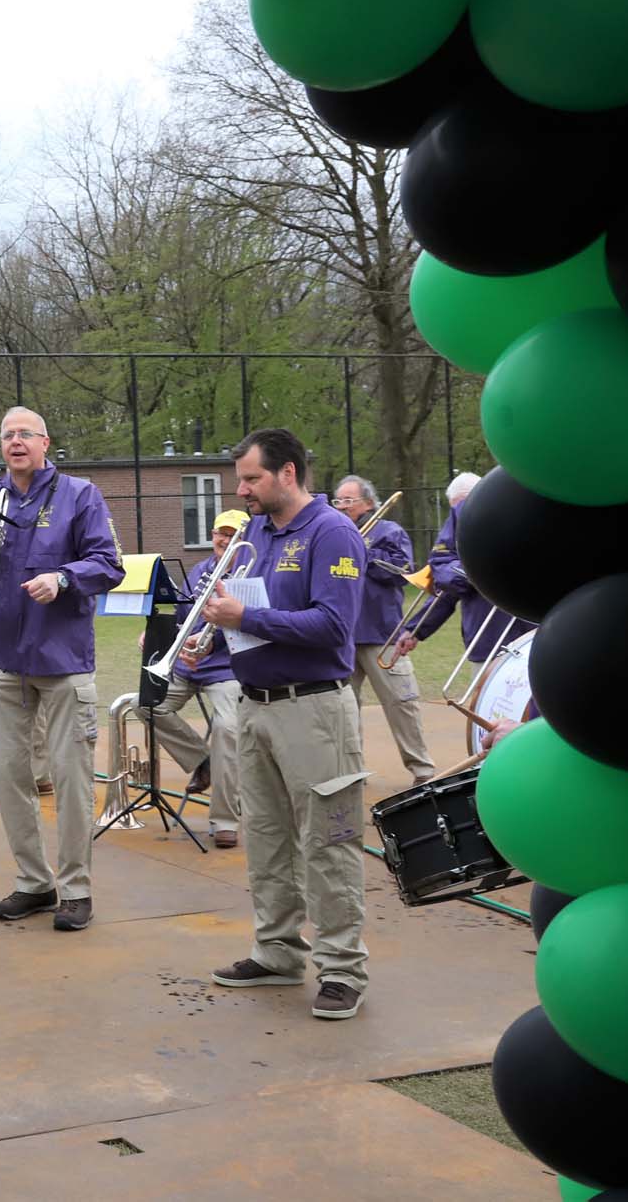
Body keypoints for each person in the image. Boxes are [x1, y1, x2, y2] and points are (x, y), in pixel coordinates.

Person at [201, 428, 370, 1022]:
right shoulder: (259, 535)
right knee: (268, 838)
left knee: (330, 839)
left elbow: (333, 625)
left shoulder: (332, 532)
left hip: (314, 709)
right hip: (256, 705)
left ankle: (343, 968)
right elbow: (259, 620)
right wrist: (215, 635)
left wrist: (245, 614)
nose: (241, 490)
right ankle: (276, 952)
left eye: (251, 479)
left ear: (289, 473)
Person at [0, 407, 123, 932]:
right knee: (9, 775)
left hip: (63, 658)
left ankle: (76, 888)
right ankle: (34, 881)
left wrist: (64, 579)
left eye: (25, 433)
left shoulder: (80, 494)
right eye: (7, 435)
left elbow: (109, 563)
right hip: (4, 657)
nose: (15, 441)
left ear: (46, 442)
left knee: (71, 779)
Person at [140, 511, 248, 849]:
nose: (224, 540)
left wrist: (207, 644)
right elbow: (181, 615)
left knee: (228, 729)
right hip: (187, 667)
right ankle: (204, 761)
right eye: (220, 533)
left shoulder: (251, 574)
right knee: (145, 705)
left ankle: (225, 820)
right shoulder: (200, 571)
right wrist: (156, 634)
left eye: (232, 534)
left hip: (228, 671)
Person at [331, 475, 437, 785]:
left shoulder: (389, 530)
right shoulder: (335, 534)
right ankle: (352, 772)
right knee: (343, 708)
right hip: (344, 634)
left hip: (381, 631)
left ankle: (422, 769)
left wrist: (365, 553)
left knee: (401, 703)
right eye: (339, 500)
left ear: (368, 503)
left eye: (349, 500)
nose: (343, 506)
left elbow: (401, 570)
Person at [397, 471, 537, 666]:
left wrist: (476, 571)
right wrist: (416, 629)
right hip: (513, 638)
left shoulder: (474, 512)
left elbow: (445, 570)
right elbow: (449, 590)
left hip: (501, 639)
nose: (458, 515)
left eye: (458, 506)